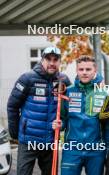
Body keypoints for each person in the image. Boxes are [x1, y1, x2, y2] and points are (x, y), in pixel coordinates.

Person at [7, 46, 71, 175]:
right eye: (48, 59)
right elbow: (12, 106)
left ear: (59, 61)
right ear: (42, 60)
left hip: (50, 140)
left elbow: (68, 111)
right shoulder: (27, 78)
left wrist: (62, 125)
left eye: (55, 59)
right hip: (28, 140)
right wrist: (15, 133)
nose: (52, 63)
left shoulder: (64, 81)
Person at [52, 55, 109, 175]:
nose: (84, 73)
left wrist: (108, 149)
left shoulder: (104, 93)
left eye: (88, 69)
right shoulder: (67, 91)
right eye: (81, 69)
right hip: (72, 150)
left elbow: (108, 126)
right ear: (77, 71)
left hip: (96, 151)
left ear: (95, 70)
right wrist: (58, 124)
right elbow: (62, 119)